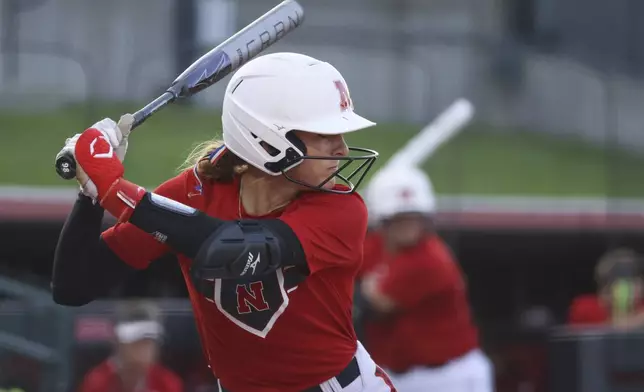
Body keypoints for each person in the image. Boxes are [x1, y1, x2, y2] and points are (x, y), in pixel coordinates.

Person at [51, 52, 397, 392]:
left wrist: (116, 190)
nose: (341, 148)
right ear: (267, 138)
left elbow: (236, 250)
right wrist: (91, 193)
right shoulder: (195, 192)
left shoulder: (341, 208)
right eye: (324, 133)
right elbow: (74, 285)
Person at [355, 165, 494, 392]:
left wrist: (363, 287)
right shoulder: (373, 246)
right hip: (399, 374)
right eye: (399, 218)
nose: (409, 226)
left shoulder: (430, 259)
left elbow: (378, 305)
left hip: (449, 377)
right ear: (384, 220)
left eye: (415, 218)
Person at [78, 300, 183, 392]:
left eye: (148, 343)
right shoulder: (97, 382)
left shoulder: (167, 382)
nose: (144, 351)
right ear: (119, 343)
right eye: (136, 342)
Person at [568, 247, 644, 329]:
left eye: (636, 280)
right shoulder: (585, 307)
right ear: (605, 289)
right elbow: (615, 330)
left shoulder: (641, 305)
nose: (635, 287)